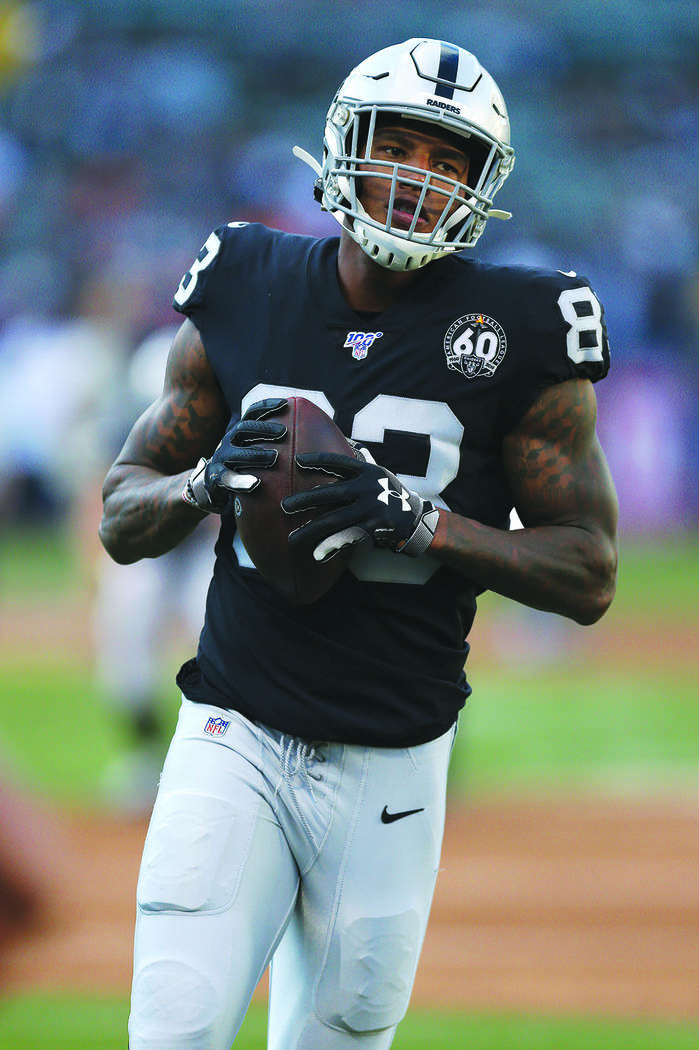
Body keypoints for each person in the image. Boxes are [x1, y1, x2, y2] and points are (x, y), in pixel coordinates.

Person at [99, 38, 618, 1050]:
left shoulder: (523, 325)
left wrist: (424, 523)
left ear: (482, 187)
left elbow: (589, 571)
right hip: (236, 728)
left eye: (448, 161)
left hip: (395, 759)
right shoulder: (245, 278)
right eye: (400, 146)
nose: (418, 180)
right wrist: (205, 483)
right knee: (173, 1027)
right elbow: (122, 511)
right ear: (346, 143)